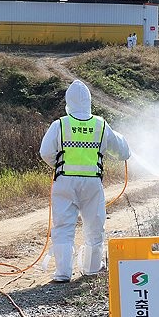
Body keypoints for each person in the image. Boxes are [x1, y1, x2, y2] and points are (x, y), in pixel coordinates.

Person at [39, 79, 132, 282]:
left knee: (63, 226)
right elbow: (122, 151)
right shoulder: (100, 124)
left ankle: (63, 273)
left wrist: (59, 164)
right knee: (94, 225)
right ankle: (91, 268)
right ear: (89, 101)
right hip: (92, 183)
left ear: (68, 102)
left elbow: (45, 152)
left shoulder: (60, 124)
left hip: (64, 182)